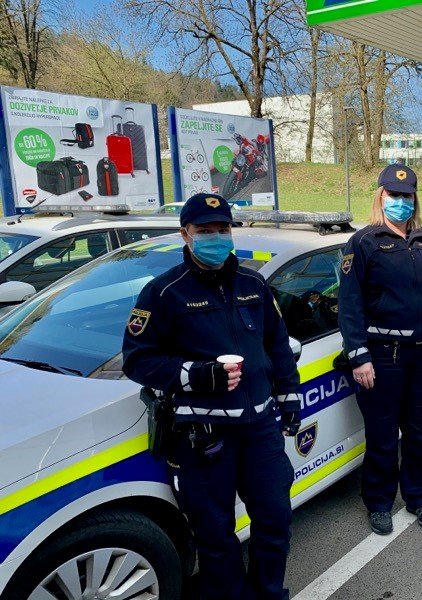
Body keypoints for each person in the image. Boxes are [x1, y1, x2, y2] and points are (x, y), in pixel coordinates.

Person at [122, 193, 301, 600]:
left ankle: (269, 593)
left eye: (223, 230)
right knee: (215, 534)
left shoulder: (254, 284)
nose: (216, 238)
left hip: (260, 431)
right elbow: (138, 361)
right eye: (205, 231)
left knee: (274, 520)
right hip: (204, 438)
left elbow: (276, 346)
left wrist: (290, 396)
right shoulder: (163, 292)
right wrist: (196, 375)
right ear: (185, 234)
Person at [338, 164, 422, 535]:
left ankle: (419, 496)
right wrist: (358, 355)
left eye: (407, 196)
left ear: (415, 199)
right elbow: (350, 305)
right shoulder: (363, 243)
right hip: (381, 354)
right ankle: (378, 502)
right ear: (381, 197)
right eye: (394, 195)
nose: (401, 202)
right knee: (382, 435)